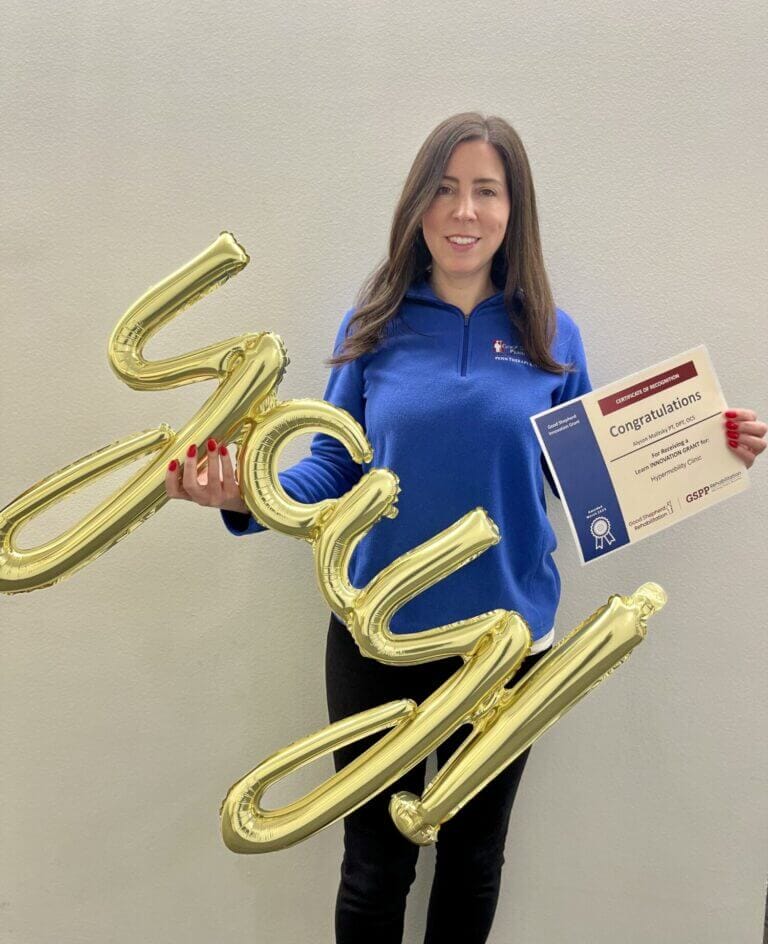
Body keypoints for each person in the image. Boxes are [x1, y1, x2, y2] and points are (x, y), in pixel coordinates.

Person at [164, 112, 766, 943]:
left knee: (474, 860)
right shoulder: (373, 322)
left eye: (487, 191)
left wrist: (707, 447)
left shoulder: (551, 333)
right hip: (378, 637)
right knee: (374, 865)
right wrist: (243, 493)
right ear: (418, 204)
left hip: (504, 644)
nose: (465, 211)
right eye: (445, 189)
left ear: (514, 210)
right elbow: (335, 468)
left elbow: (584, 479)